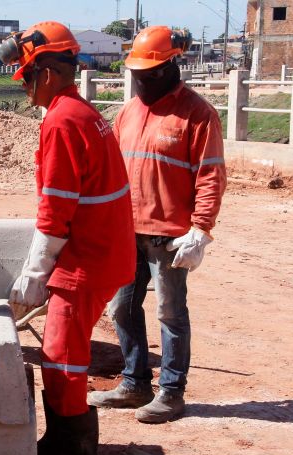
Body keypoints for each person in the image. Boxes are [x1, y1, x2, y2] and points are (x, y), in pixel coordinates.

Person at [2, 21, 136, 455]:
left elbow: (57, 208)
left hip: (88, 260)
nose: (21, 85)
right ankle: (66, 443)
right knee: (64, 352)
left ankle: (74, 454)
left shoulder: (61, 121)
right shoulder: (79, 111)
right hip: (101, 252)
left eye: (24, 75)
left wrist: (36, 273)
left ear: (47, 72)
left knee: (61, 356)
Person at [88, 26, 226, 424]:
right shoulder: (129, 111)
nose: (142, 81)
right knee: (121, 308)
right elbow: (112, 170)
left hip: (170, 237)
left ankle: (171, 391)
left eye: (150, 74)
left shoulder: (198, 114)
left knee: (170, 313)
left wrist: (200, 229)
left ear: (170, 67)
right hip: (126, 231)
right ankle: (135, 383)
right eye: (137, 74)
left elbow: (211, 175)